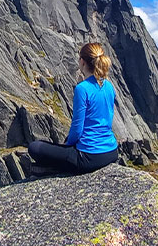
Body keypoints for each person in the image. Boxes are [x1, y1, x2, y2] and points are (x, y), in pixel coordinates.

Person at [28, 42, 119, 174]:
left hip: (89, 157)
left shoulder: (82, 89)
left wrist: (67, 145)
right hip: (111, 152)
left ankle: (54, 169)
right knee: (61, 149)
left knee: (35, 147)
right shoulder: (109, 86)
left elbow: (77, 129)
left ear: (82, 61)